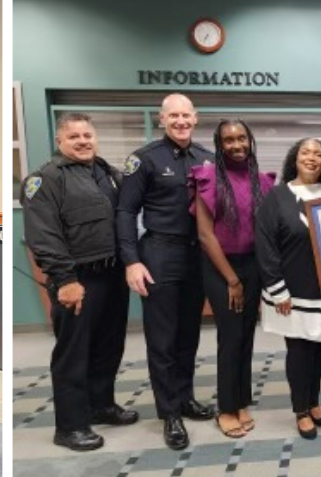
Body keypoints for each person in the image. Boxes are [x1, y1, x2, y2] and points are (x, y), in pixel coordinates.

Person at [22, 113, 138, 452]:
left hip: (112, 275)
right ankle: (70, 426)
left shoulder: (109, 174)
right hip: (77, 279)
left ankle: (101, 405)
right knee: (73, 354)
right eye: (74, 136)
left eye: (87, 135)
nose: (83, 141)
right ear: (60, 141)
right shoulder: (45, 179)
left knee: (108, 347)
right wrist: (65, 280)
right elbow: (43, 236)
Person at [117, 93, 217, 450]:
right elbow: (126, 212)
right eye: (173, 116)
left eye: (186, 115)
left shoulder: (208, 158)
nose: (180, 121)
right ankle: (170, 413)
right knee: (163, 338)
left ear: (195, 117)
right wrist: (131, 261)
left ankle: (185, 397)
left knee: (189, 334)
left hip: (197, 255)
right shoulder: (144, 159)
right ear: (162, 119)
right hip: (159, 252)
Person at [256, 138, 321, 440]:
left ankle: (313, 402)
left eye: (318, 154)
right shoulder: (277, 196)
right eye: (305, 152)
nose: (311, 158)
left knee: (317, 345)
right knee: (298, 349)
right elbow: (266, 246)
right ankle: (300, 410)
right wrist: (277, 289)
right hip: (291, 290)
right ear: (294, 159)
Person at [190, 119, 275, 438]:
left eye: (242, 138)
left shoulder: (262, 181)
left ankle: (241, 402)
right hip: (220, 268)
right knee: (230, 337)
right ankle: (226, 408)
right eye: (229, 140)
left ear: (250, 141)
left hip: (252, 266)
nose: (237, 145)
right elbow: (205, 235)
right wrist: (232, 280)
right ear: (219, 144)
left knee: (246, 336)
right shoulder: (209, 178)